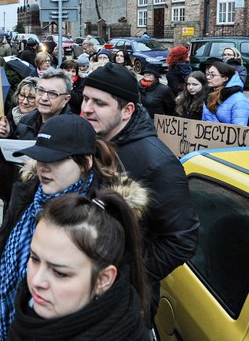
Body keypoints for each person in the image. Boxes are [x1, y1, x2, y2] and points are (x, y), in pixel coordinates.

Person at [0, 114, 142, 340]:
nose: (43, 168)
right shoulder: (28, 195)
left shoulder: (103, 219)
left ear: (85, 162)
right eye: (40, 158)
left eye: (54, 160)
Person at [79, 64, 199, 320]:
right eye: (86, 98)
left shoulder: (156, 162)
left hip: (123, 304)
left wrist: (127, 274)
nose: (86, 108)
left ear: (127, 111)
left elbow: (181, 241)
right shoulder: (93, 141)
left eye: (99, 103)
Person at [8, 189, 150, 340]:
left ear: (103, 280)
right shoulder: (25, 313)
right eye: (35, 259)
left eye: (59, 273)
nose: (36, 281)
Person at [0, 77, 39, 212]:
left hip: (26, 189)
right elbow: (1, 154)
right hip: (7, 185)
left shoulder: (40, 122)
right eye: (22, 95)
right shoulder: (9, 116)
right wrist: (1, 135)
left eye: (31, 97)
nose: (24, 101)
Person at [0, 69, 72, 142]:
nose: (44, 98)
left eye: (52, 93)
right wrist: (7, 135)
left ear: (66, 99)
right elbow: (16, 154)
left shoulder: (73, 129)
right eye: (41, 90)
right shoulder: (25, 121)